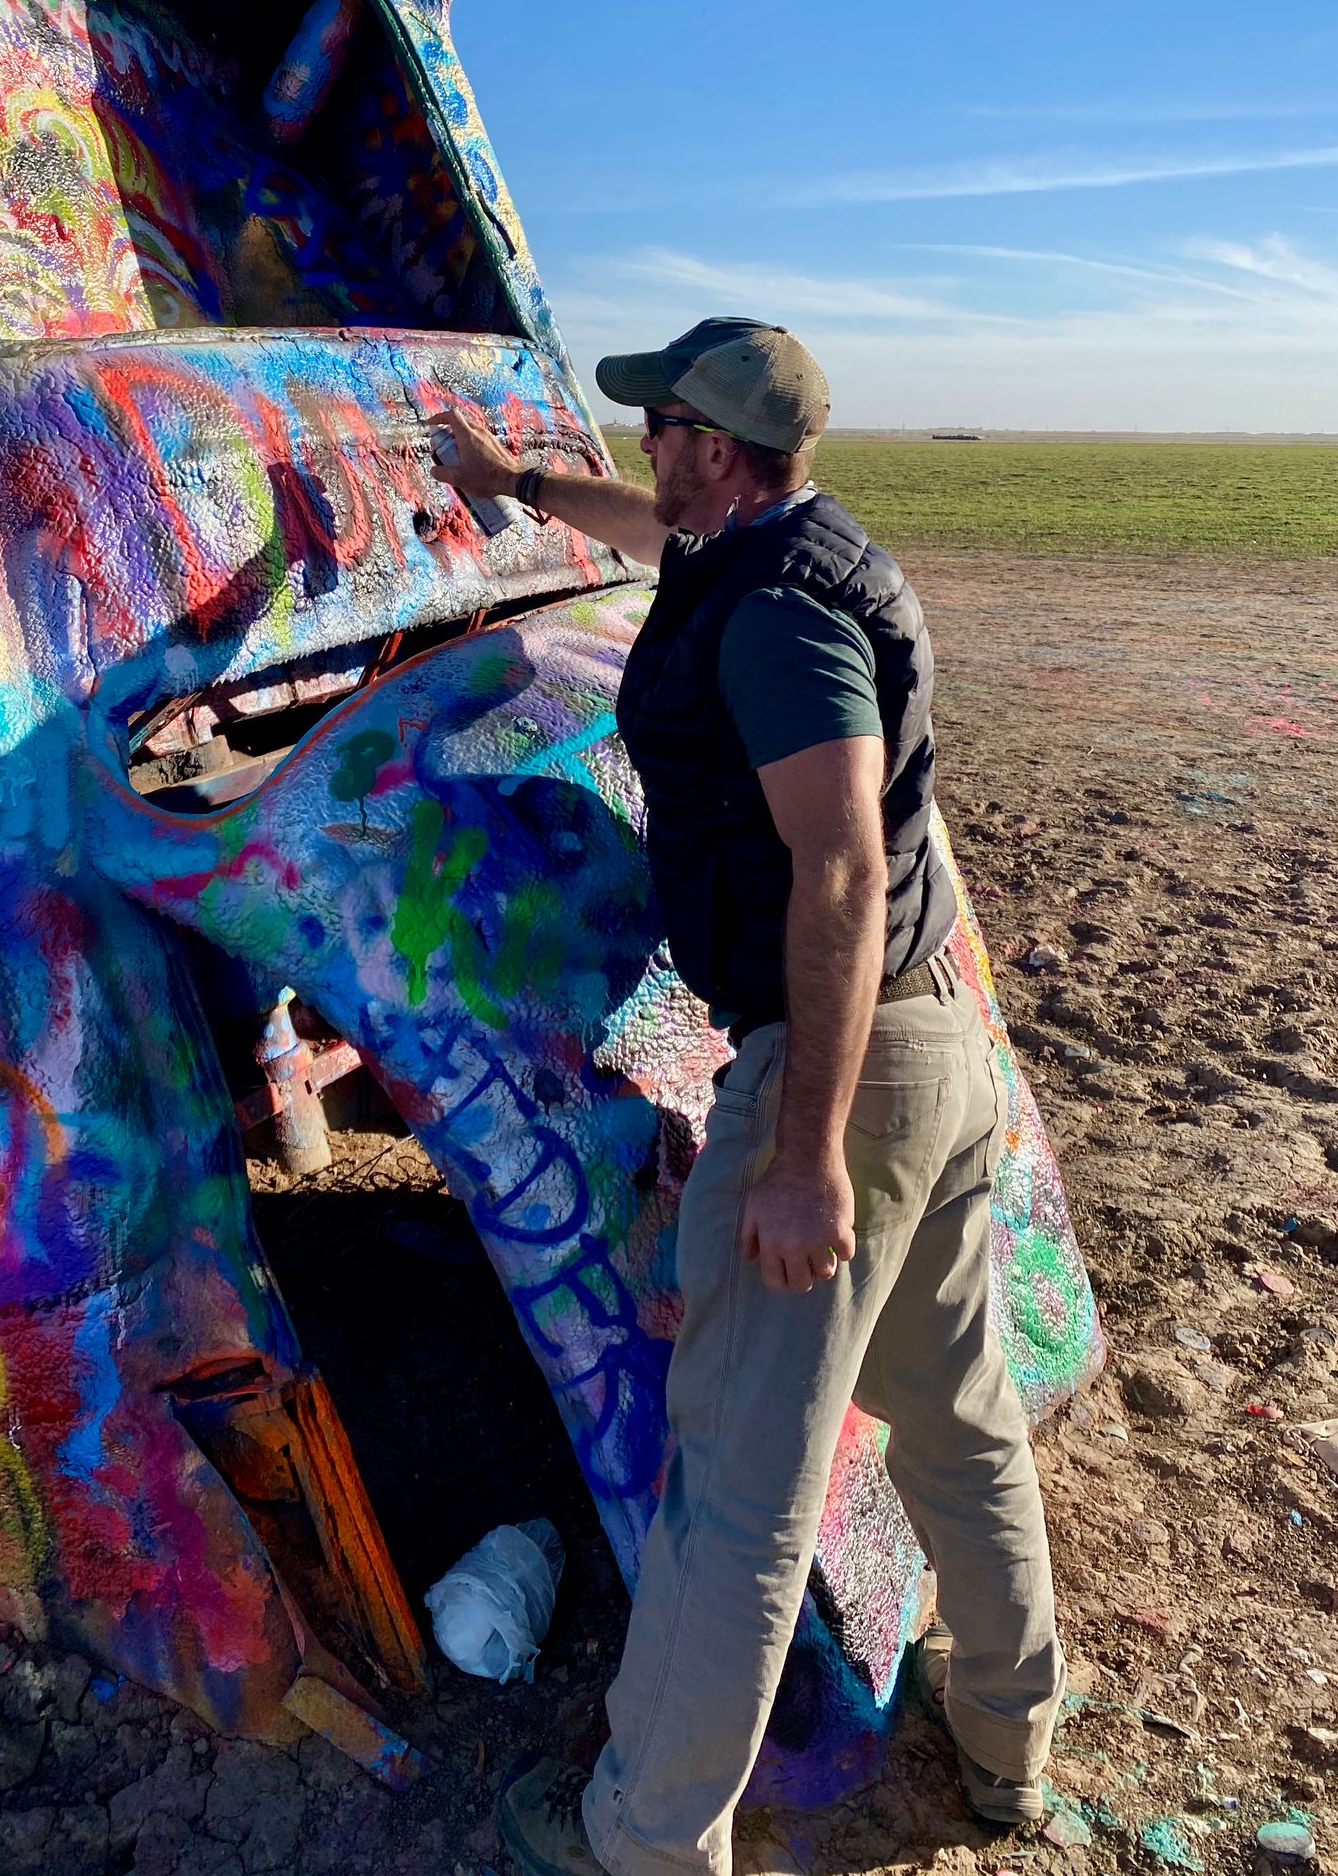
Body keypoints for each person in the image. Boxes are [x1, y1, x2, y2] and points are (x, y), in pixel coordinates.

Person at [431, 319, 1063, 1876]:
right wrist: (506, 480)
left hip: (838, 1074)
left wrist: (802, 1157)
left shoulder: (779, 621)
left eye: (661, 428)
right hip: (931, 1063)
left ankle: (639, 1840)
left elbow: (841, 868)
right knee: (955, 1419)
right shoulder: (778, 541)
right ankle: (1008, 1744)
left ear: (718, 446)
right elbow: (648, 529)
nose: (644, 445)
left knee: (733, 1488)